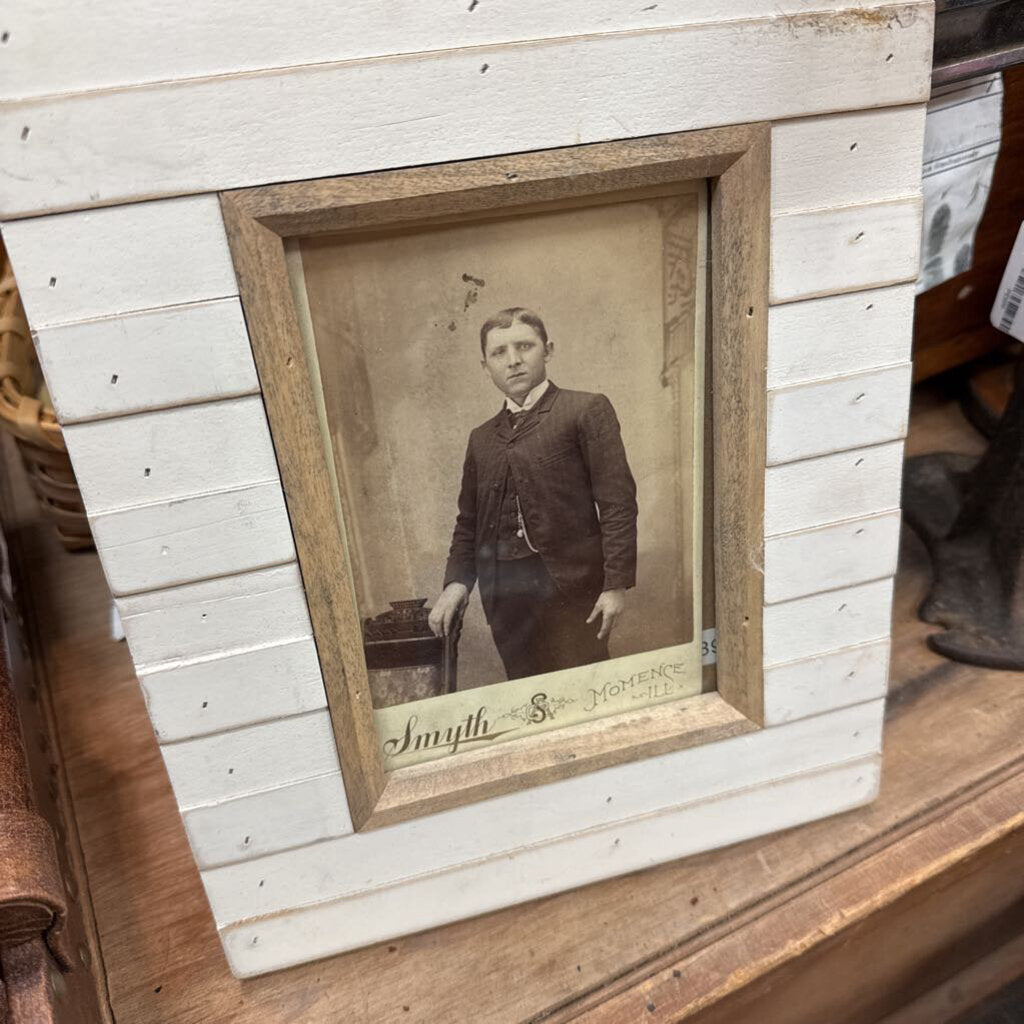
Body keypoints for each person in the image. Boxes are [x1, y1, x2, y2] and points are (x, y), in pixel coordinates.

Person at [428, 306, 638, 681]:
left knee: (584, 696)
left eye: (524, 346)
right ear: (485, 366)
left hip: (572, 592)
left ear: (548, 350)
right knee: (530, 702)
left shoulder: (584, 409)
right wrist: (456, 584)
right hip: (506, 602)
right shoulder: (481, 438)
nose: (513, 361)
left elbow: (617, 503)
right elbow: (468, 523)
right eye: (499, 353)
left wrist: (615, 584)